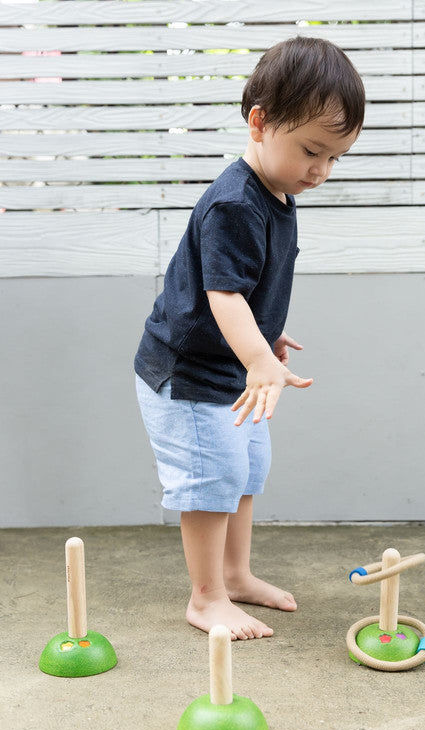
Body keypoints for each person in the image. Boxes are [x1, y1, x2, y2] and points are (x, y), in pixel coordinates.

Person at [134, 36, 365, 640]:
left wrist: (266, 337)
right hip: (187, 374)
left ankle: (235, 576)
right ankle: (206, 597)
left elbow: (245, 285)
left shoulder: (279, 193)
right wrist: (259, 358)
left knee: (244, 470)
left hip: (232, 366)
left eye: (335, 158)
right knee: (211, 480)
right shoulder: (235, 203)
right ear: (259, 123)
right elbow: (223, 295)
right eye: (311, 150)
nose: (321, 171)